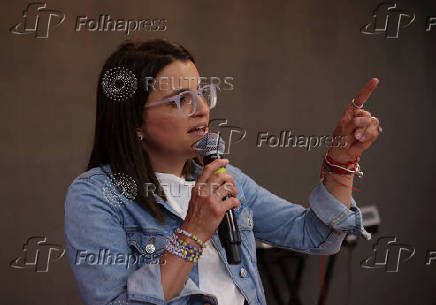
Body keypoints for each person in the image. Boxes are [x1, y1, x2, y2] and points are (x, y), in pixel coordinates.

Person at [64, 39, 382, 305]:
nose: (202, 108)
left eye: (201, 93)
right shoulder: (96, 194)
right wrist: (194, 231)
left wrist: (342, 161)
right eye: (181, 100)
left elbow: (316, 237)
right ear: (134, 122)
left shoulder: (226, 179)